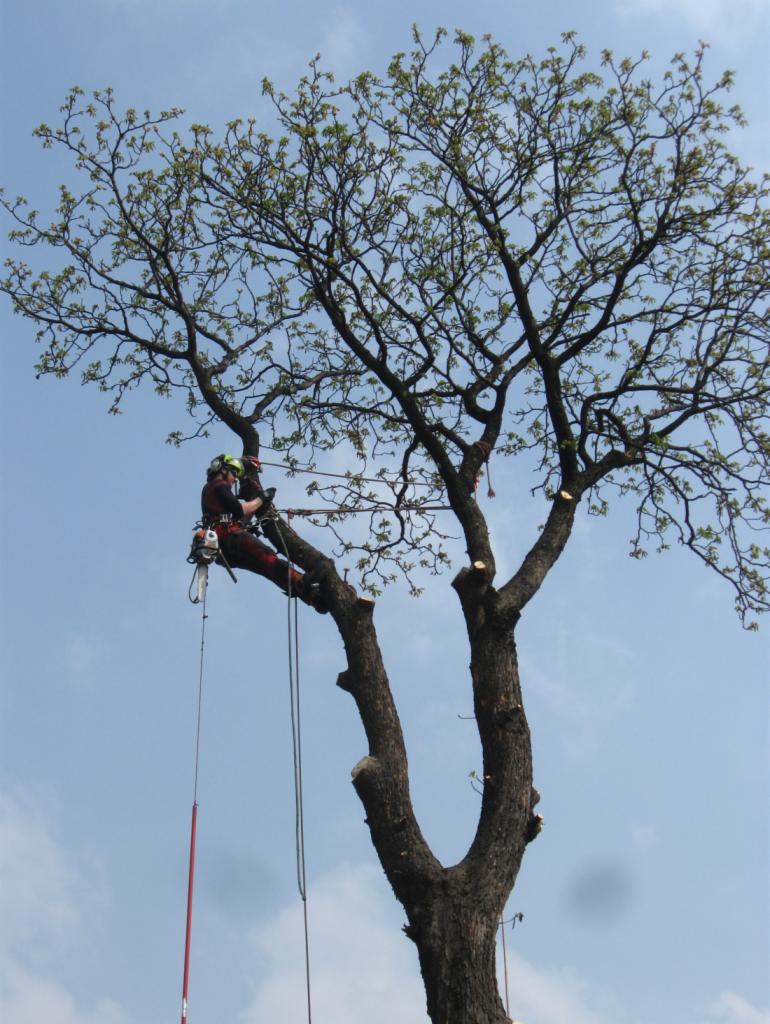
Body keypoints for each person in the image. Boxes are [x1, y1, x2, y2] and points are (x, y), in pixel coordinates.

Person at [200, 453, 328, 612]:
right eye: (233, 473)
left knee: (265, 567)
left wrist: (255, 503)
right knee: (267, 556)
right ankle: (300, 581)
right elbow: (238, 510)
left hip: (224, 549)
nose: (234, 480)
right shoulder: (217, 485)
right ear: (221, 469)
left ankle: (312, 598)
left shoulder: (211, 494)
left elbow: (239, 519)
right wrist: (261, 498)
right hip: (227, 536)